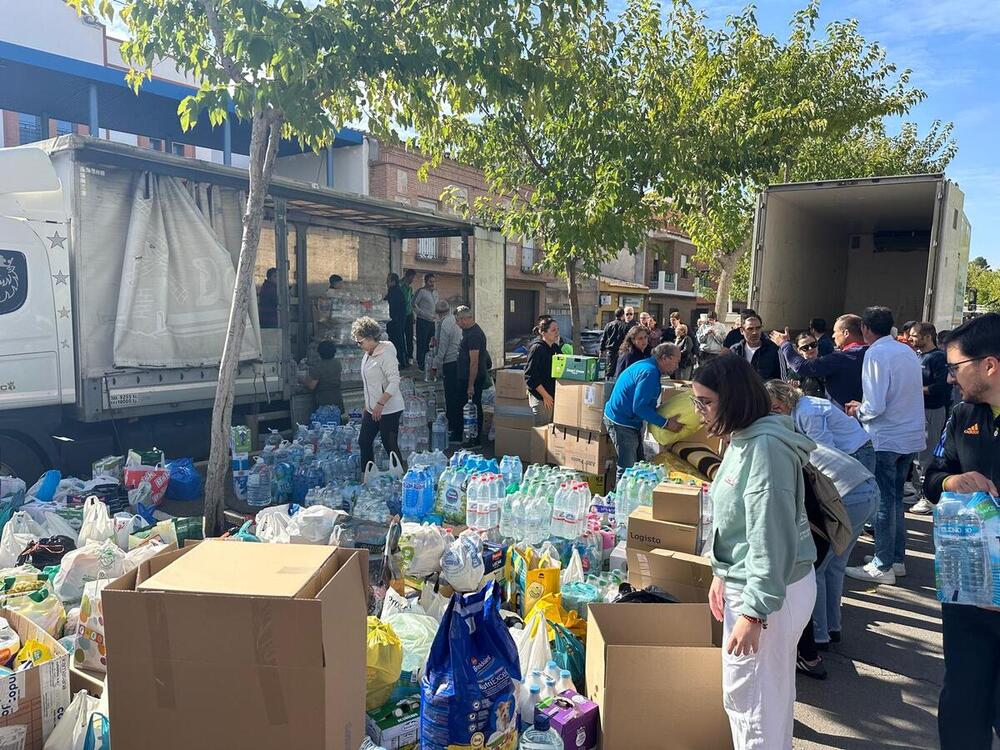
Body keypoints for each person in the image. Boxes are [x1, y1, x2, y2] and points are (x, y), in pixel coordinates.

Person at [692, 355, 817, 749]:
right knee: (765, 699)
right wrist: (721, 572)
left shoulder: (765, 448)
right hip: (754, 584)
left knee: (752, 704)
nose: (699, 413)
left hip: (767, 594)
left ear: (735, 398)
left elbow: (769, 534)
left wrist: (754, 611)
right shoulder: (744, 437)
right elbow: (738, 523)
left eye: (706, 402)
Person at [923, 313, 1000, 750]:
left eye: (955, 368)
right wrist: (953, 481)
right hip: (968, 589)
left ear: (988, 365)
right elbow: (933, 476)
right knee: (962, 707)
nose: (950, 378)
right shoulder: (963, 415)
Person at [844, 306, 925, 586]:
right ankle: (894, 558)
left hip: (886, 437)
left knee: (883, 501)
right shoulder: (906, 351)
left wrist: (858, 410)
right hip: (909, 435)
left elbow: (875, 405)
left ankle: (883, 564)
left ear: (866, 328)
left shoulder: (876, 354)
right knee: (895, 500)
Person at [800, 443, 879, 666]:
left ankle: (818, 635)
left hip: (848, 495)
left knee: (815, 568)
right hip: (868, 488)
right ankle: (832, 627)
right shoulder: (798, 437)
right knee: (835, 566)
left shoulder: (780, 445)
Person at [603, 343, 682, 481]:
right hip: (621, 422)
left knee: (639, 466)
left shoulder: (650, 367)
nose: (677, 366)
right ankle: (621, 499)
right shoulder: (649, 372)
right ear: (664, 358)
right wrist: (666, 423)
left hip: (629, 420)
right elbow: (640, 407)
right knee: (628, 468)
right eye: (676, 362)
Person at [764, 380, 875, 471]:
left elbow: (825, 451)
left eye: (776, 407)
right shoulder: (794, 410)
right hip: (851, 451)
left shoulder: (807, 412)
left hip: (857, 452)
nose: (775, 413)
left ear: (786, 398)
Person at [770, 314, 867, 409]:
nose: (833, 336)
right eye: (805, 347)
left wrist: (784, 344)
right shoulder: (870, 352)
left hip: (846, 415)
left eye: (835, 331)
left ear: (846, 333)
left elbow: (803, 367)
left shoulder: (842, 358)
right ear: (799, 350)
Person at [907, 322, 950, 515]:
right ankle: (918, 491)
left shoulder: (938, 358)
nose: (910, 338)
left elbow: (941, 387)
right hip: (915, 411)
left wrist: (915, 390)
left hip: (931, 411)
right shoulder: (917, 356)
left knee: (926, 455)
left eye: (915, 335)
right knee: (916, 455)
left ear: (927, 337)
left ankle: (928, 497)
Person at [353, 316, 404, 470]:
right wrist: (368, 404)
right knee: (364, 441)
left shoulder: (385, 354)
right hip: (372, 408)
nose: (358, 344)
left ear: (369, 338)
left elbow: (395, 381)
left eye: (360, 341)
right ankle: (367, 476)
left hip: (388, 408)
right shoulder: (368, 352)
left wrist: (380, 403)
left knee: (389, 444)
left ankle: (400, 477)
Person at [455, 306, 491, 446]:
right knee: (466, 406)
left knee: (474, 407)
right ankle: (469, 436)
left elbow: (474, 362)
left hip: (473, 377)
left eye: (458, 321)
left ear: (465, 319)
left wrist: (470, 385)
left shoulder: (474, 334)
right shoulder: (466, 332)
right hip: (465, 375)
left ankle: (475, 440)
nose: (457, 324)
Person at [429, 300, 463, 442]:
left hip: (450, 363)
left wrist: (435, 366)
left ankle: (454, 431)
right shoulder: (454, 321)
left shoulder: (444, 324)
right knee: (457, 398)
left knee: (451, 398)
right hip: (459, 362)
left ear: (437, 313)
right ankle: (457, 429)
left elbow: (442, 347)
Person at [524, 317, 561, 425]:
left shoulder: (555, 348)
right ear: (543, 332)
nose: (557, 333)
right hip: (541, 398)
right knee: (541, 435)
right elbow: (529, 376)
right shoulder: (537, 348)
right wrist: (545, 395)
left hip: (552, 396)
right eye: (553, 330)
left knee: (551, 433)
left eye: (558, 329)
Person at [729, 314, 785, 381]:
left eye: (758, 328)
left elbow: (782, 380)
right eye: (750, 329)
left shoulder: (774, 350)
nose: (754, 332)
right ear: (742, 331)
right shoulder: (734, 350)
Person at [303, 340, 345, 414]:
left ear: (319, 353)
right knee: (336, 420)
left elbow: (312, 386)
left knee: (326, 422)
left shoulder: (318, 366)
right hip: (337, 396)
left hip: (324, 399)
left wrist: (303, 381)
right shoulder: (337, 363)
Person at [786, 331, 826, 398]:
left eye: (813, 344)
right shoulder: (794, 370)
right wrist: (794, 389)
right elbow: (790, 396)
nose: (810, 349)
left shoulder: (828, 362)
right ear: (799, 350)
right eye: (805, 347)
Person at [412, 273, 439, 370]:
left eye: (433, 281)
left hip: (432, 322)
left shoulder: (435, 293)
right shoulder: (421, 292)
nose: (432, 283)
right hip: (423, 321)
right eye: (430, 281)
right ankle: (421, 364)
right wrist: (422, 314)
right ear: (426, 281)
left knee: (431, 344)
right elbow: (414, 304)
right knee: (422, 343)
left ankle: (429, 364)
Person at [384, 273, 407, 369]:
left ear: (393, 281)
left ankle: (400, 363)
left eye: (388, 281)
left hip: (396, 322)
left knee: (396, 343)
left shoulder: (396, 292)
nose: (386, 283)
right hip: (395, 322)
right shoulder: (393, 291)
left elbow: (392, 307)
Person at [599, 308, 631, 379]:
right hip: (621, 350)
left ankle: (608, 382)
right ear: (623, 315)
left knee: (610, 368)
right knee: (620, 368)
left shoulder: (608, 325)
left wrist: (601, 349)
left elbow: (604, 338)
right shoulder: (625, 326)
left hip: (610, 350)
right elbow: (628, 339)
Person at [401, 269, 417, 366]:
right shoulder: (400, 286)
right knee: (402, 337)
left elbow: (411, 302)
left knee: (410, 336)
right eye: (413, 277)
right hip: (401, 315)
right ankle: (403, 357)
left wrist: (413, 315)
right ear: (409, 276)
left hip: (409, 314)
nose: (413, 280)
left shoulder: (410, 288)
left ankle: (410, 356)